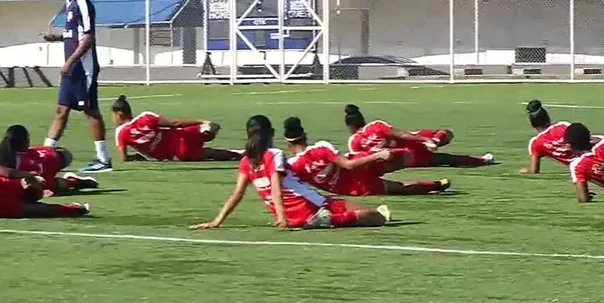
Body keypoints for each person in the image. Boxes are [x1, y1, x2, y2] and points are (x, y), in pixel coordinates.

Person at [191, 115, 391, 230]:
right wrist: (282, 220)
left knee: (361, 210)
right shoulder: (274, 154)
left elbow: (238, 194)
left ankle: (322, 219)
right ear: (271, 134)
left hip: (296, 216)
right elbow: (276, 189)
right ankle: (327, 219)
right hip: (312, 205)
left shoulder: (246, 161)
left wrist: (216, 221)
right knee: (377, 216)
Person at [41, 0, 113, 173]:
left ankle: (104, 159)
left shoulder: (82, 3)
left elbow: (88, 38)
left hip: (84, 68)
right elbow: (73, 35)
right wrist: (54, 38)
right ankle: (46, 153)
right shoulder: (69, 4)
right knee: (61, 109)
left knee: (90, 111)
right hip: (72, 69)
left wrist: (69, 61)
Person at [283, 117, 450, 196]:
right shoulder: (321, 147)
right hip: (360, 166)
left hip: (352, 188)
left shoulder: (292, 165)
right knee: (398, 158)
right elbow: (347, 165)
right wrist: (378, 155)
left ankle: (436, 185)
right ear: (305, 136)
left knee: (400, 187)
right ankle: (432, 148)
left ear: (288, 145)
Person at [344, 104, 493, 167]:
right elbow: (401, 134)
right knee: (446, 133)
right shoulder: (375, 125)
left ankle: (482, 160)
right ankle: (435, 140)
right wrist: (425, 139)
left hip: (402, 157)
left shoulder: (353, 142)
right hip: (411, 143)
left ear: (350, 126)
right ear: (362, 119)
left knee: (445, 159)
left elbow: (360, 160)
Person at [522, 99, 604, 174]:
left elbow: (534, 170)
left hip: (588, 161)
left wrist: (525, 170)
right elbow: (581, 135)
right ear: (548, 118)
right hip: (595, 146)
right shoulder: (562, 125)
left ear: (532, 124)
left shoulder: (536, 143)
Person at [112, 95, 243, 162]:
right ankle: (205, 129)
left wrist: (135, 157)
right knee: (205, 130)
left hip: (177, 152)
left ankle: (240, 154)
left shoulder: (121, 133)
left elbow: (123, 158)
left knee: (211, 154)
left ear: (119, 113)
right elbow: (175, 123)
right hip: (182, 134)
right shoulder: (146, 116)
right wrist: (200, 120)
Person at [0, 124, 99, 194]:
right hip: (49, 153)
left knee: (51, 185)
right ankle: (74, 181)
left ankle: (74, 181)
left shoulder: (5, 156)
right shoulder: (22, 156)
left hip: (54, 158)